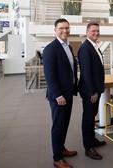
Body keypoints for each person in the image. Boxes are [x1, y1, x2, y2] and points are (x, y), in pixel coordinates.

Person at [42, 18, 78, 168]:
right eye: (61, 28)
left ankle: (61, 149)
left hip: (68, 94)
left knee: (64, 124)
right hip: (59, 97)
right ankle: (57, 158)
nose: (65, 31)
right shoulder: (51, 48)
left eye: (67, 28)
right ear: (55, 30)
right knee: (58, 126)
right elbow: (49, 75)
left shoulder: (68, 47)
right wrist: (58, 95)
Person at [78, 22, 106, 160]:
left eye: (98, 31)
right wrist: (92, 91)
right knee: (88, 118)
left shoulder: (94, 47)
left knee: (92, 116)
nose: (96, 33)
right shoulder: (85, 48)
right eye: (93, 31)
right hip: (90, 91)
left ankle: (92, 140)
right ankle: (88, 148)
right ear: (87, 32)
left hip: (95, 89)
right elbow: (86, 73)